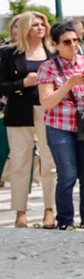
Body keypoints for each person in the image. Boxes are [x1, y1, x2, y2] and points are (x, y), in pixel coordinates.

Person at [38, 23, 84, 230]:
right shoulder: (48, 67)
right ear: (55, 45)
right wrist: (69, 84)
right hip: (60, 126)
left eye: (76, 40)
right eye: (67, 42)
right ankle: (65, 221)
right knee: (67, 174)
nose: (73, 45)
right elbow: (46, 102)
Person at [0, 12, 56, 228]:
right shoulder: (9, 55)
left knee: (49, 163)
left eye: (43, 23)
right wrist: (22, 83)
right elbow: (1, 86)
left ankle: (50, 209)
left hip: (48, 110)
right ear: (25, 28)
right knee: (20, 162)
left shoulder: (52, 54)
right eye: (35, 24)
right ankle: (20, 212)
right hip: (19, 112)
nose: (41, 27)